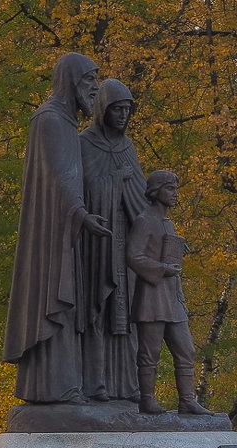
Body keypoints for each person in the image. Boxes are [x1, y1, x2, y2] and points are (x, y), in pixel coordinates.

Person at [3, 52, 112, 403]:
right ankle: (57, 390)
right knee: (57, 302)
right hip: (52, 233)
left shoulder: (65, 122)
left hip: (67, 229)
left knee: (69, 306)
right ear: (70, 81)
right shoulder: (49, 120)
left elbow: (74, 177)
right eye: (89, 81)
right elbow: (59, 178)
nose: (94, 89)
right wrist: (80, 214)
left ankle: (65, 386)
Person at [78, 79, 147, 402]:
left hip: (126, 243)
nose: (123, 116)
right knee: (99, 312)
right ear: (102, 110)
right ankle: (96, 383)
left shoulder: (128, 147)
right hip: (98, 242)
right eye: (117, 109)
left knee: (128, 315)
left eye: (127, 110)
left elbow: (142, 197)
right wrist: (113, 182)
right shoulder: (85, 144)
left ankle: (129, 387)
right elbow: (82, 191)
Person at [126, 170, 213, 416]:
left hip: (173, 297)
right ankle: (147, 400)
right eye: (170, 189)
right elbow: (133, 256)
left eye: (175, 189)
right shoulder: (144, 220)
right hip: (152, 298)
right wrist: (162, 268)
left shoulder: (168, 222)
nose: (175, 194)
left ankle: (187, 400)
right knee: (150, 353)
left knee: (187, 350)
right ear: (156, 191)